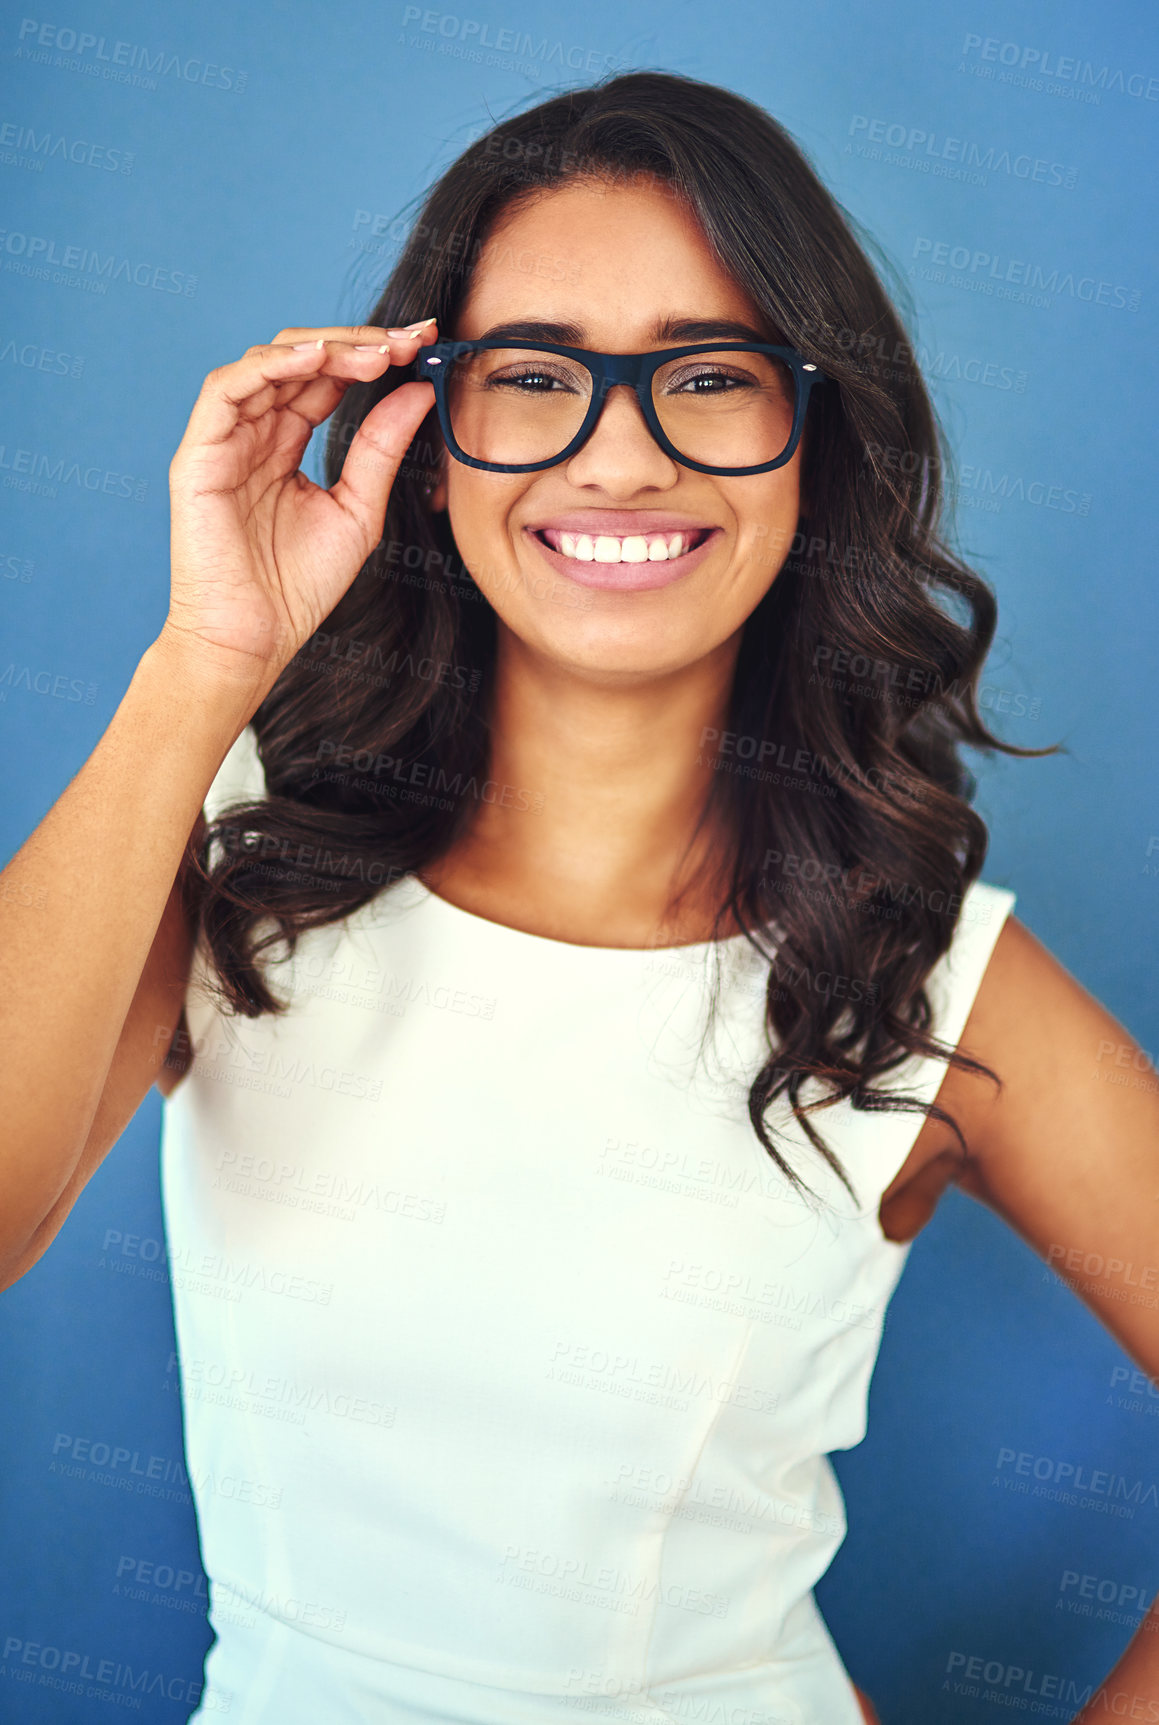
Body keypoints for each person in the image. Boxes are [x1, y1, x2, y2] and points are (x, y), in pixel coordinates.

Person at [1, 69, 1155, 1725]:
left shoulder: (920, 976)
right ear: (425, 430)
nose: (620, 457)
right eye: (536, 377)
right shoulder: (251, 862)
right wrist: (206, 666)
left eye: (710, 373)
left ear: (812, 440)